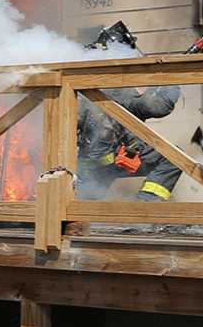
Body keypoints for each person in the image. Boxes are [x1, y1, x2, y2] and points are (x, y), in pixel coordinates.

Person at [75, 22, 183, 202]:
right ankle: (146, 207)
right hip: (116, 159)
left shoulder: (88, 78)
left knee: (80, 211)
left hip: (88, 164)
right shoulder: (116, 87)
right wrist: (171, 82)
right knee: (174, 158)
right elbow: (158, 107)